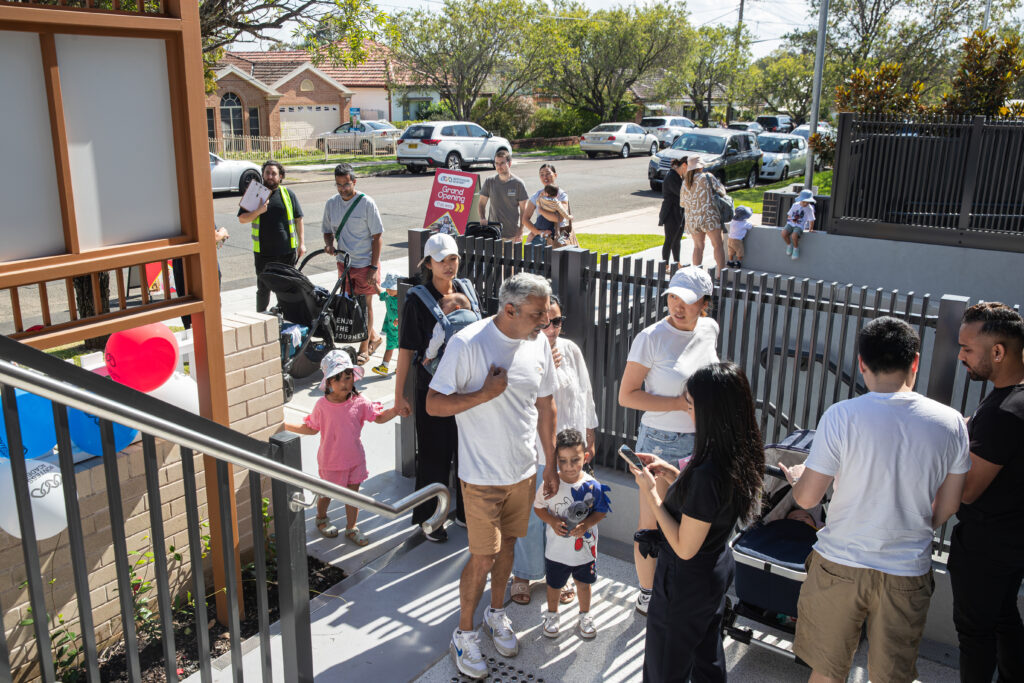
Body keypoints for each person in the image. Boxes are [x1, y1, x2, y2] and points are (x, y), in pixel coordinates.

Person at [781, 316, 969, 683]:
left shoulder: (842, 416)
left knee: (827, 670)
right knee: (892, 676)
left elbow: (807, 499)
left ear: (861, 363)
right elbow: (949, 506)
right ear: (915, 362)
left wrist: (799, 479)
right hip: (906, 569)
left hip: (839, 563)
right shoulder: (951, 423)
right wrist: (914, 525)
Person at [426, 273, 559, 680]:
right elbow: (433, 404)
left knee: (508, 551)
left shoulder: (538, 343)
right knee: (483, 556)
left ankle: (495, 614)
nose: (545, 321)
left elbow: (547, 404)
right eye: (538, 314)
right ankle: (463, 634)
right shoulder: (469, 343)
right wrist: (483, 394)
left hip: (522, 472)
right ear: (510, 310)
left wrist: (550, 464)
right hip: (481, 476)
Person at [631, 362, 764, 682]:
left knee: (665, 669)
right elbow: (709, 510)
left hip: (684, 583)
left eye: (690, 405)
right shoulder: (737, 452)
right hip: (714, 570)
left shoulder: (707, 472)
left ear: (711, 411)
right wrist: (672, 474)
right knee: (706, 659)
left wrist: (652, 495)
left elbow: (684, 546)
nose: (686, 411)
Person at [618, 266, 719, 615]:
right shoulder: (651, 337)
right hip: (659, 440)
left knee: (692, 519)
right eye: (673, 296)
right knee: (652, 523)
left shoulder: (709, 329)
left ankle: (680, 586)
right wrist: (679, 404)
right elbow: (627, 396)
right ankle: (647, 593)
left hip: (701, 440)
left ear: (704, 303)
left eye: (687, 300)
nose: (677, 306)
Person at [950, 302, 1024, 682]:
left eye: (967, 349)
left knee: (975, 635)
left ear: (998, 352)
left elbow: (968, 490)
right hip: (1012, 543)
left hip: (987, 547)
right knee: (1003, 619)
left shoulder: (1004, 411)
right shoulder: (1013, 396)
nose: (960, 356)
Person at [511, 294, 599, 607]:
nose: (551, 328)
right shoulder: (520, 352)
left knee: (564, 515)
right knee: (532, 517)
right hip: (534, 451)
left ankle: (557, 575)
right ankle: (522, 574)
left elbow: (585, 393)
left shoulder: (571, 350)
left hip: (570, 455)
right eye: (544, 322)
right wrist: (540, 365)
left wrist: (589, 436)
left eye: (557, 321)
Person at [395, 233, 475, 540]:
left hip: (468, 387)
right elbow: (405, 352)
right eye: (441, 260)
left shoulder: (467, 289)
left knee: (468, 452)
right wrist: (398, 396)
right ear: (428, 263)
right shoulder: (417, 300)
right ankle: (431, 519)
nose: (449, 265)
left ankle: (469, 514)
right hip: (434, 390)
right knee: (434, 454)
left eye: (453, 258)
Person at [283, 350, 407, 545]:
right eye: (338, 379)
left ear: (354, 378)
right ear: (328, 383)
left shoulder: (360, 402)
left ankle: (352, 527)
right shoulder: (322, 406)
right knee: (327, 493)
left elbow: (379, 418)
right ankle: (321, 518)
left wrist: (395, 410)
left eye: (348, 378)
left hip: (355, 459)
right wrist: (284, 425)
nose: (344, 383)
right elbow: (311, 429)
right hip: (330, 461)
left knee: (353, 496)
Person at [533, 428, 611, 640]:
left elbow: (602, 511)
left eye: (575, 460)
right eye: (563, 461)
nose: (569, 467)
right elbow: (538, 507)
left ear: (585, 457)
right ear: (555, 460)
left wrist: (586, 525)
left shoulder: (592, 486)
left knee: (584, 585)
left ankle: (585, 615)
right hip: (556, 552)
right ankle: (552, 614)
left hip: (585, 551)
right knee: (554, 584)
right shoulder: (550, 484)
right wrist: (552, 520)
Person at [322, 163, 385, 365]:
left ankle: (364, 348)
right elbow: (327, 230)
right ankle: (373, 337)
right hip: (345, 264)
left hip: (366, 263)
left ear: (354, 182)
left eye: (346, 184)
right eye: (338, 185)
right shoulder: (332, 204)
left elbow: (377, 236)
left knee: (365, 306)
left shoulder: (367, 203)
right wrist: (329, 244)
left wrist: (374, 268)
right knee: (351, 305)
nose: (342, 189)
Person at [237, 160, 305, 312]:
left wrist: (302, 244)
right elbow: (242, 219)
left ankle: (289, 316)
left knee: (288, 288)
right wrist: (258, 211)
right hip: (264, 254)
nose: (270, 176)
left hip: (286, 252)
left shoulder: (288, 194)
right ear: (262, 175)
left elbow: (298, 219)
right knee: (263, 289)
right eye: (267, 173)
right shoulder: (255, 193)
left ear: (280, 176)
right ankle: (261, 318)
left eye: (274, 173)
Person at [171, 225, 230, 329]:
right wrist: (223, 233)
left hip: (181, 261)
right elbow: (212, 236)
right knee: (210, 309)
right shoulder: (198, 209)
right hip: (203, 263)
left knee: (188, 307)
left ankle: (192, 335)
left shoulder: (174, 213)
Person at [678, 157, 727, 273]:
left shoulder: (685, 182)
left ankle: (697, 274)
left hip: (693, 219)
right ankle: (720, 274)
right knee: (717, 245)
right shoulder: (707, 177)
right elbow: (722, 192)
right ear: (700, 167)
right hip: (709, 216)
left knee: (698, 247)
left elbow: (682, 203)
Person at [421, 292, 480, 372]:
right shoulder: (477, 320)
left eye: (442, 306)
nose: (440, 310)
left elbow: (435, 342)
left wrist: (429, 356)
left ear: (457, 308)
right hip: (472, 363)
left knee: (429, 362)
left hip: (451, 365)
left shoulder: (444, 324)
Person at [478, 149, 530, 241]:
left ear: (509, 164)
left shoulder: (518, 184)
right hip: (493, 233)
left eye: (502, 163)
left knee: (512, 256)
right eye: (496, 163)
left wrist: (521, 231)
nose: (499, 166)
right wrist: (482, 218)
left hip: (513, 234)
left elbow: (524, 210)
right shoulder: (489, 181)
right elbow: (481, 203)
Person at [522, 164, 570, 247]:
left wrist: (541, 211)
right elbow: (525, 219)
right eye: (542, 174)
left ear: (555, 175)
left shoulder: (562, 195)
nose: (545, 177)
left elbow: (560, 218)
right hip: (540, 237)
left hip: (561, 234)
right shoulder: (536, 196)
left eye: (548, 173)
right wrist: (539, 232)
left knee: (559, 258)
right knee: (536, 259)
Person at [659, 157, 687, 264]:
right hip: (671, 212)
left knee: (677, 240)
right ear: (684, 165)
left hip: (678, 213)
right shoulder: (671, 177)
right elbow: (682, 194)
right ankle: (664, 265)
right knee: (669, 240)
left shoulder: (678, 177)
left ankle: (677, 262)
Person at [371, 272, 400, 377]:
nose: (388, 290)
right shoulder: (388, 295)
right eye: (387, 288)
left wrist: (400, 318)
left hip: (402, 329)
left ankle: (401, 367)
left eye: (390, 288)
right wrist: (375, 284)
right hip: (391, 328)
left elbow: (409, 311)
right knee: (389, 346)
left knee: (402, 349)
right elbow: (380, 293)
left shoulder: (403, 298)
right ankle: (384, 366)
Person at [782, 189, 815, 261]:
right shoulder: (795, 205)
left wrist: (811, 229)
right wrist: (790, 221)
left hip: (800, 225)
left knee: (794, 236)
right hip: (791, 223)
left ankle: (796, 248)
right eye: (804, 202)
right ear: (800, 200)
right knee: (784, 233)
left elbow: (811, 219)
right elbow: (789, 215)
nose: (805, 204)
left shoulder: (809, 208)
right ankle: (789, 245)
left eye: (808, 202)